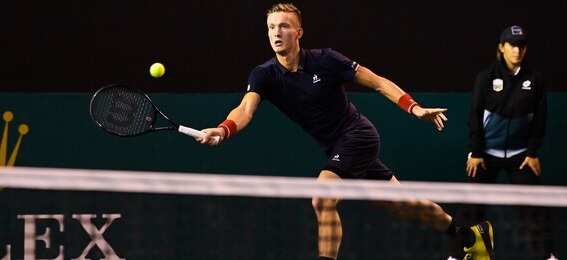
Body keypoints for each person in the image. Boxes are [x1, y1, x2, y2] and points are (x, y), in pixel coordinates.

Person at [198, 3, 493, 259]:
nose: (277, 33)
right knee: (402, 206)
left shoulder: (326, 60)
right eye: (271, 27)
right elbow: (245, 109)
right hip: (336, 147)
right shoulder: (264, 74)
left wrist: (414, 108)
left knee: (321, 197)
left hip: (358, 136)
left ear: (299, 32)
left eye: (284, 26)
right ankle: (469, 236)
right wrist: (224, 130)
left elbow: (378, 82)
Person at [447, 25, 558, 260]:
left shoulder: (534, 79)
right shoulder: (486, 77)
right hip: (485, 155)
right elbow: (474, 116)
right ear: (502, 47)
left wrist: (532, 151)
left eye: (521, 46)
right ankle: (457, 255)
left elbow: (540, 118)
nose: (517, 50)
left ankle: (547, 256)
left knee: (535, 212)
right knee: (471, 211)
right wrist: (476, 152)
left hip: (521, 156)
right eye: (512, 45)